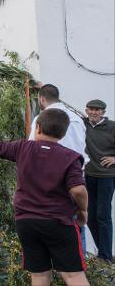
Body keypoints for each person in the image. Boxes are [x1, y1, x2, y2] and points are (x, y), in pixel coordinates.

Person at [0, 108, 89, 286]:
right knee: (73, 276)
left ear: (37, 127)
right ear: (63, 132)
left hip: (27, 222)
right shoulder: (70, 157)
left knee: (39, 275)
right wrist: (83, 210)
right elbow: (78, 190)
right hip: (58, 222)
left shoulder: (22, 147)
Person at [28, 83, 89, 254]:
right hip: (78, 177)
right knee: (78, 225)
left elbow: (33, 149)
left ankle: (56, 265)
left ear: (41, 98)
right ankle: (81, 265)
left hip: (52, 181)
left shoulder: (42, 119)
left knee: (51, 225)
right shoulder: (77, 118)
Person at [83, 99, 115, 261]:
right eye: (91, 109)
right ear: (86, 110)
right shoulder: (83, 124)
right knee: (90, 215)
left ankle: (106, 256)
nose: (94, 112)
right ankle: (102, 252)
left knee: (103, 215)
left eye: (98, 110)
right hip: (88, 175)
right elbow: (63, 107)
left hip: (107, 177)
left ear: (103, 112)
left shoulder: (112, 127)